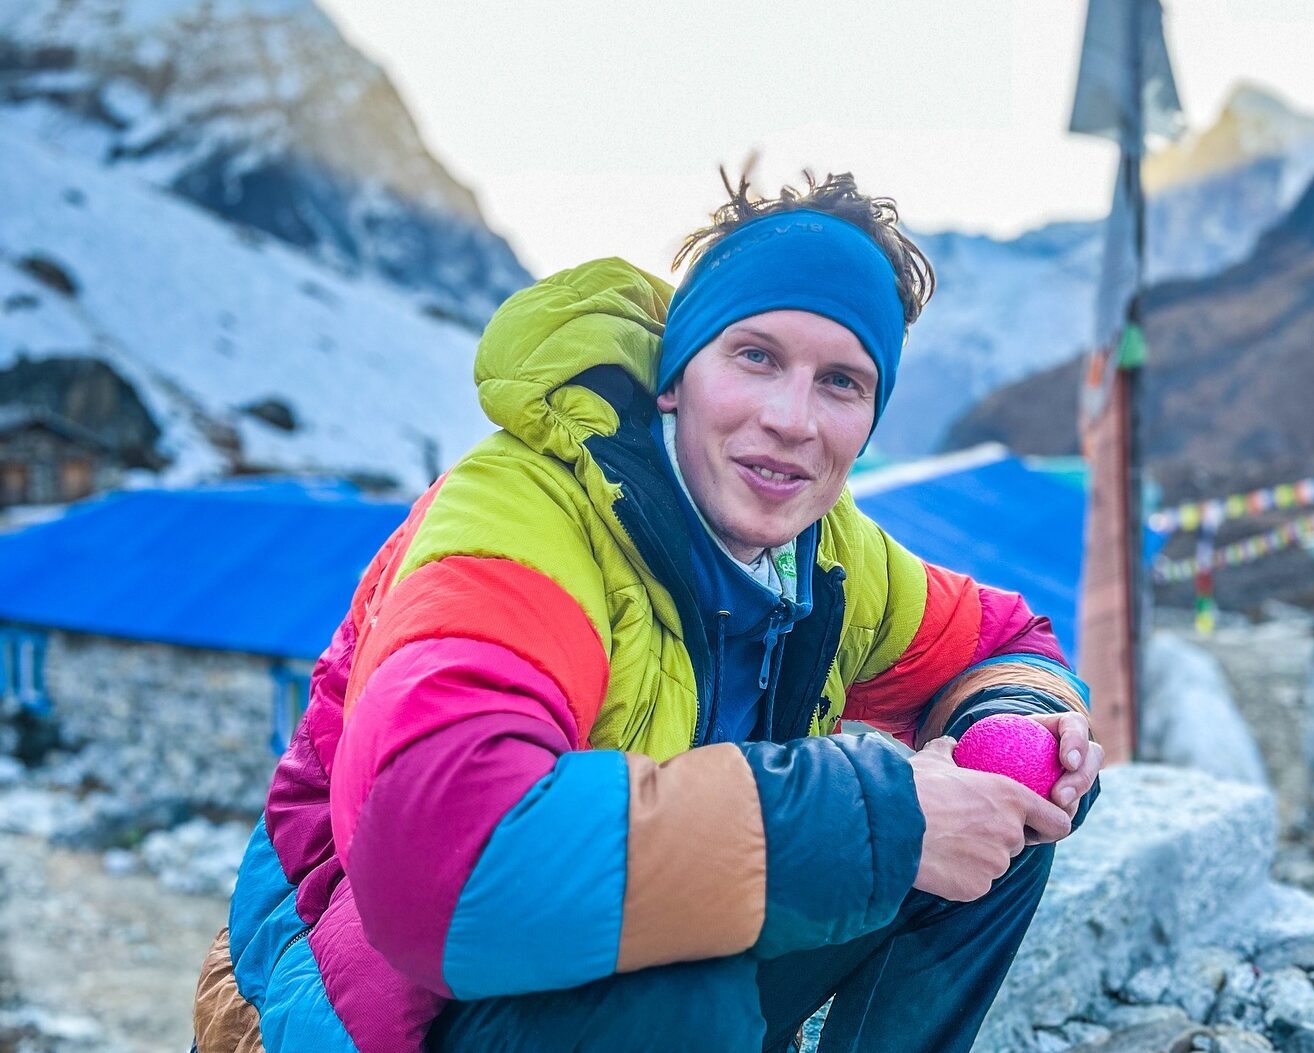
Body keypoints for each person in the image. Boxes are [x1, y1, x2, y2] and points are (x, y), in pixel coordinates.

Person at [192, 172, 1103, 1053]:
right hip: (372, 992)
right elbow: (443, 861)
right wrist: (876, 816)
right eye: (756, 356)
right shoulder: (520, 516)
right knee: (679, 991)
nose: (793, 419)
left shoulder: (827, 551)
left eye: (841, 382)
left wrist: (1021, 728)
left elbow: (1006, 639)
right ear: (676, 377)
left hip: (606, 954)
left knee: (998, 810)